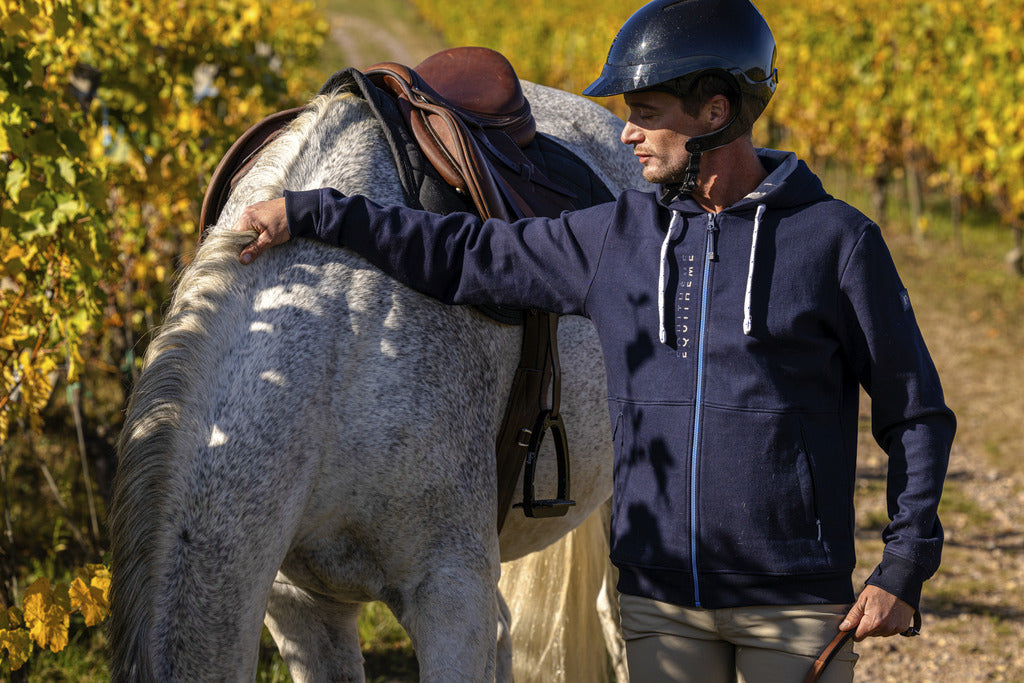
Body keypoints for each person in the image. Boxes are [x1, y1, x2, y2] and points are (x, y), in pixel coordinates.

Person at [230, 0, 955, 680]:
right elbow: (465, 254)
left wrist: (903, 565)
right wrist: (315, 212)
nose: (627, 134)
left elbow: (914, 411)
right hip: (659, 601)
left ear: (716, 109)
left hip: (793, 605)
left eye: (645, 114)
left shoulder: (836, 242)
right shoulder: (619, 235)